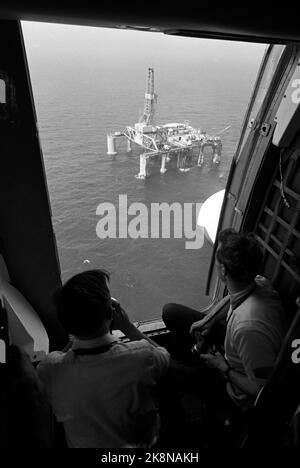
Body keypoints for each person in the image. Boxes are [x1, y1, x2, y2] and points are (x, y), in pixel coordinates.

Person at [37, 269, 170, 448]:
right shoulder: (142, 357)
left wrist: (76, 334)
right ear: (110, 314)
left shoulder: (50, 369)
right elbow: (164, 355)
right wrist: (128, 327)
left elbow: (61, 357)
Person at [163, 228, 287, 412]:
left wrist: (223, 368)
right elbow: (233, 297)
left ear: (222, 269)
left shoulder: (248, 329)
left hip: (235, 386)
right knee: (171, 311)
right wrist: (209, 320)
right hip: (235, 352)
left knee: (166, 367)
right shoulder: (259, 283)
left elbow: (263, 389)